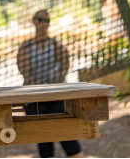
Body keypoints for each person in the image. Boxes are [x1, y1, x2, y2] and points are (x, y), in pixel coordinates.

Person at [17, 10, 84, 159]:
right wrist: (40, 92)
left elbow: (65, 65)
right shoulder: (26, 47)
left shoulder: (56, 44)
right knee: (43, 135)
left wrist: (55, 89)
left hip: (56, 95)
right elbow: (25, 72)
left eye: (47, 21)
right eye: (41, 19)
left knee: (65, 132)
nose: (44, 23)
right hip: (34, 97)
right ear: (34, 21)